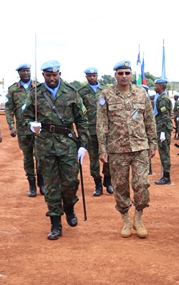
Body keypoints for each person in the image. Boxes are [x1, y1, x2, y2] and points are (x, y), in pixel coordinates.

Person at [23, 60, 89, 240]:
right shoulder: (35, 94)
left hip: (67, 144)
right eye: (48, 75)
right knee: (51, 185)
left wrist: (83, 145)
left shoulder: (71, 92)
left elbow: (82, 120)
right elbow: (25, 116)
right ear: (43, 75)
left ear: (59, 74)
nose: (51, 78)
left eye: (54, 75)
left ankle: (69, 206)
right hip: (45, 145)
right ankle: (55, 223)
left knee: (70, 183)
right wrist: (31, 125)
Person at [97, 59, 157, 238]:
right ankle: (125, 220)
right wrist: (102, 148)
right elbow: (101, 123)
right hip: (117, 149)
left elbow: (149, 120)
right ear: (115, 75)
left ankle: (138, 217)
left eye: (127, 73)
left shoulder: (141, 93)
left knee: (141, 184)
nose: (124, 76)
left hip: (140, 147)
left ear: (131, 75)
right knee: (120, 186)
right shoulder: (106, 94)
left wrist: (153, 143)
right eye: (120, 73)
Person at [5, 63, 44, 197]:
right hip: (23, 129)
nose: (26, 73)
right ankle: (31, 185)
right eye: (23, 71)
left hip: (38, 129)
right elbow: (9, 109)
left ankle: (42, 183)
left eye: (27, 70)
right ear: (19, 73)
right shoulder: (13, 89)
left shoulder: (38, 87)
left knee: (40, 156)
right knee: (27, 157)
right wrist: (11, 126)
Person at [78, 67, 113, 196]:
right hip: (90, 130)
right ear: (86, 77)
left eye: (94, 75)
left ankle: (108, 181)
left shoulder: (106, 90)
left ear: (97, 76)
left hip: (105, 129)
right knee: (93, 159)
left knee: (108, 155)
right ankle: (97, 183)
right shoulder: (81, 92)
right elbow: (79, 111)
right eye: (89, 76)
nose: (92, 77)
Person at [153, 78, 173, 185]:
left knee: (164, 152)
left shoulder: (163, 99)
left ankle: (166, 177)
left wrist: (163, 132)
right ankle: (165, 175)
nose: (154, 88)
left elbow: (165, 116)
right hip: (162, 128)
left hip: (163, 128)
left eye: (156, 86)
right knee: (163, 152)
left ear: (161, 86)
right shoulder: (161, 97)